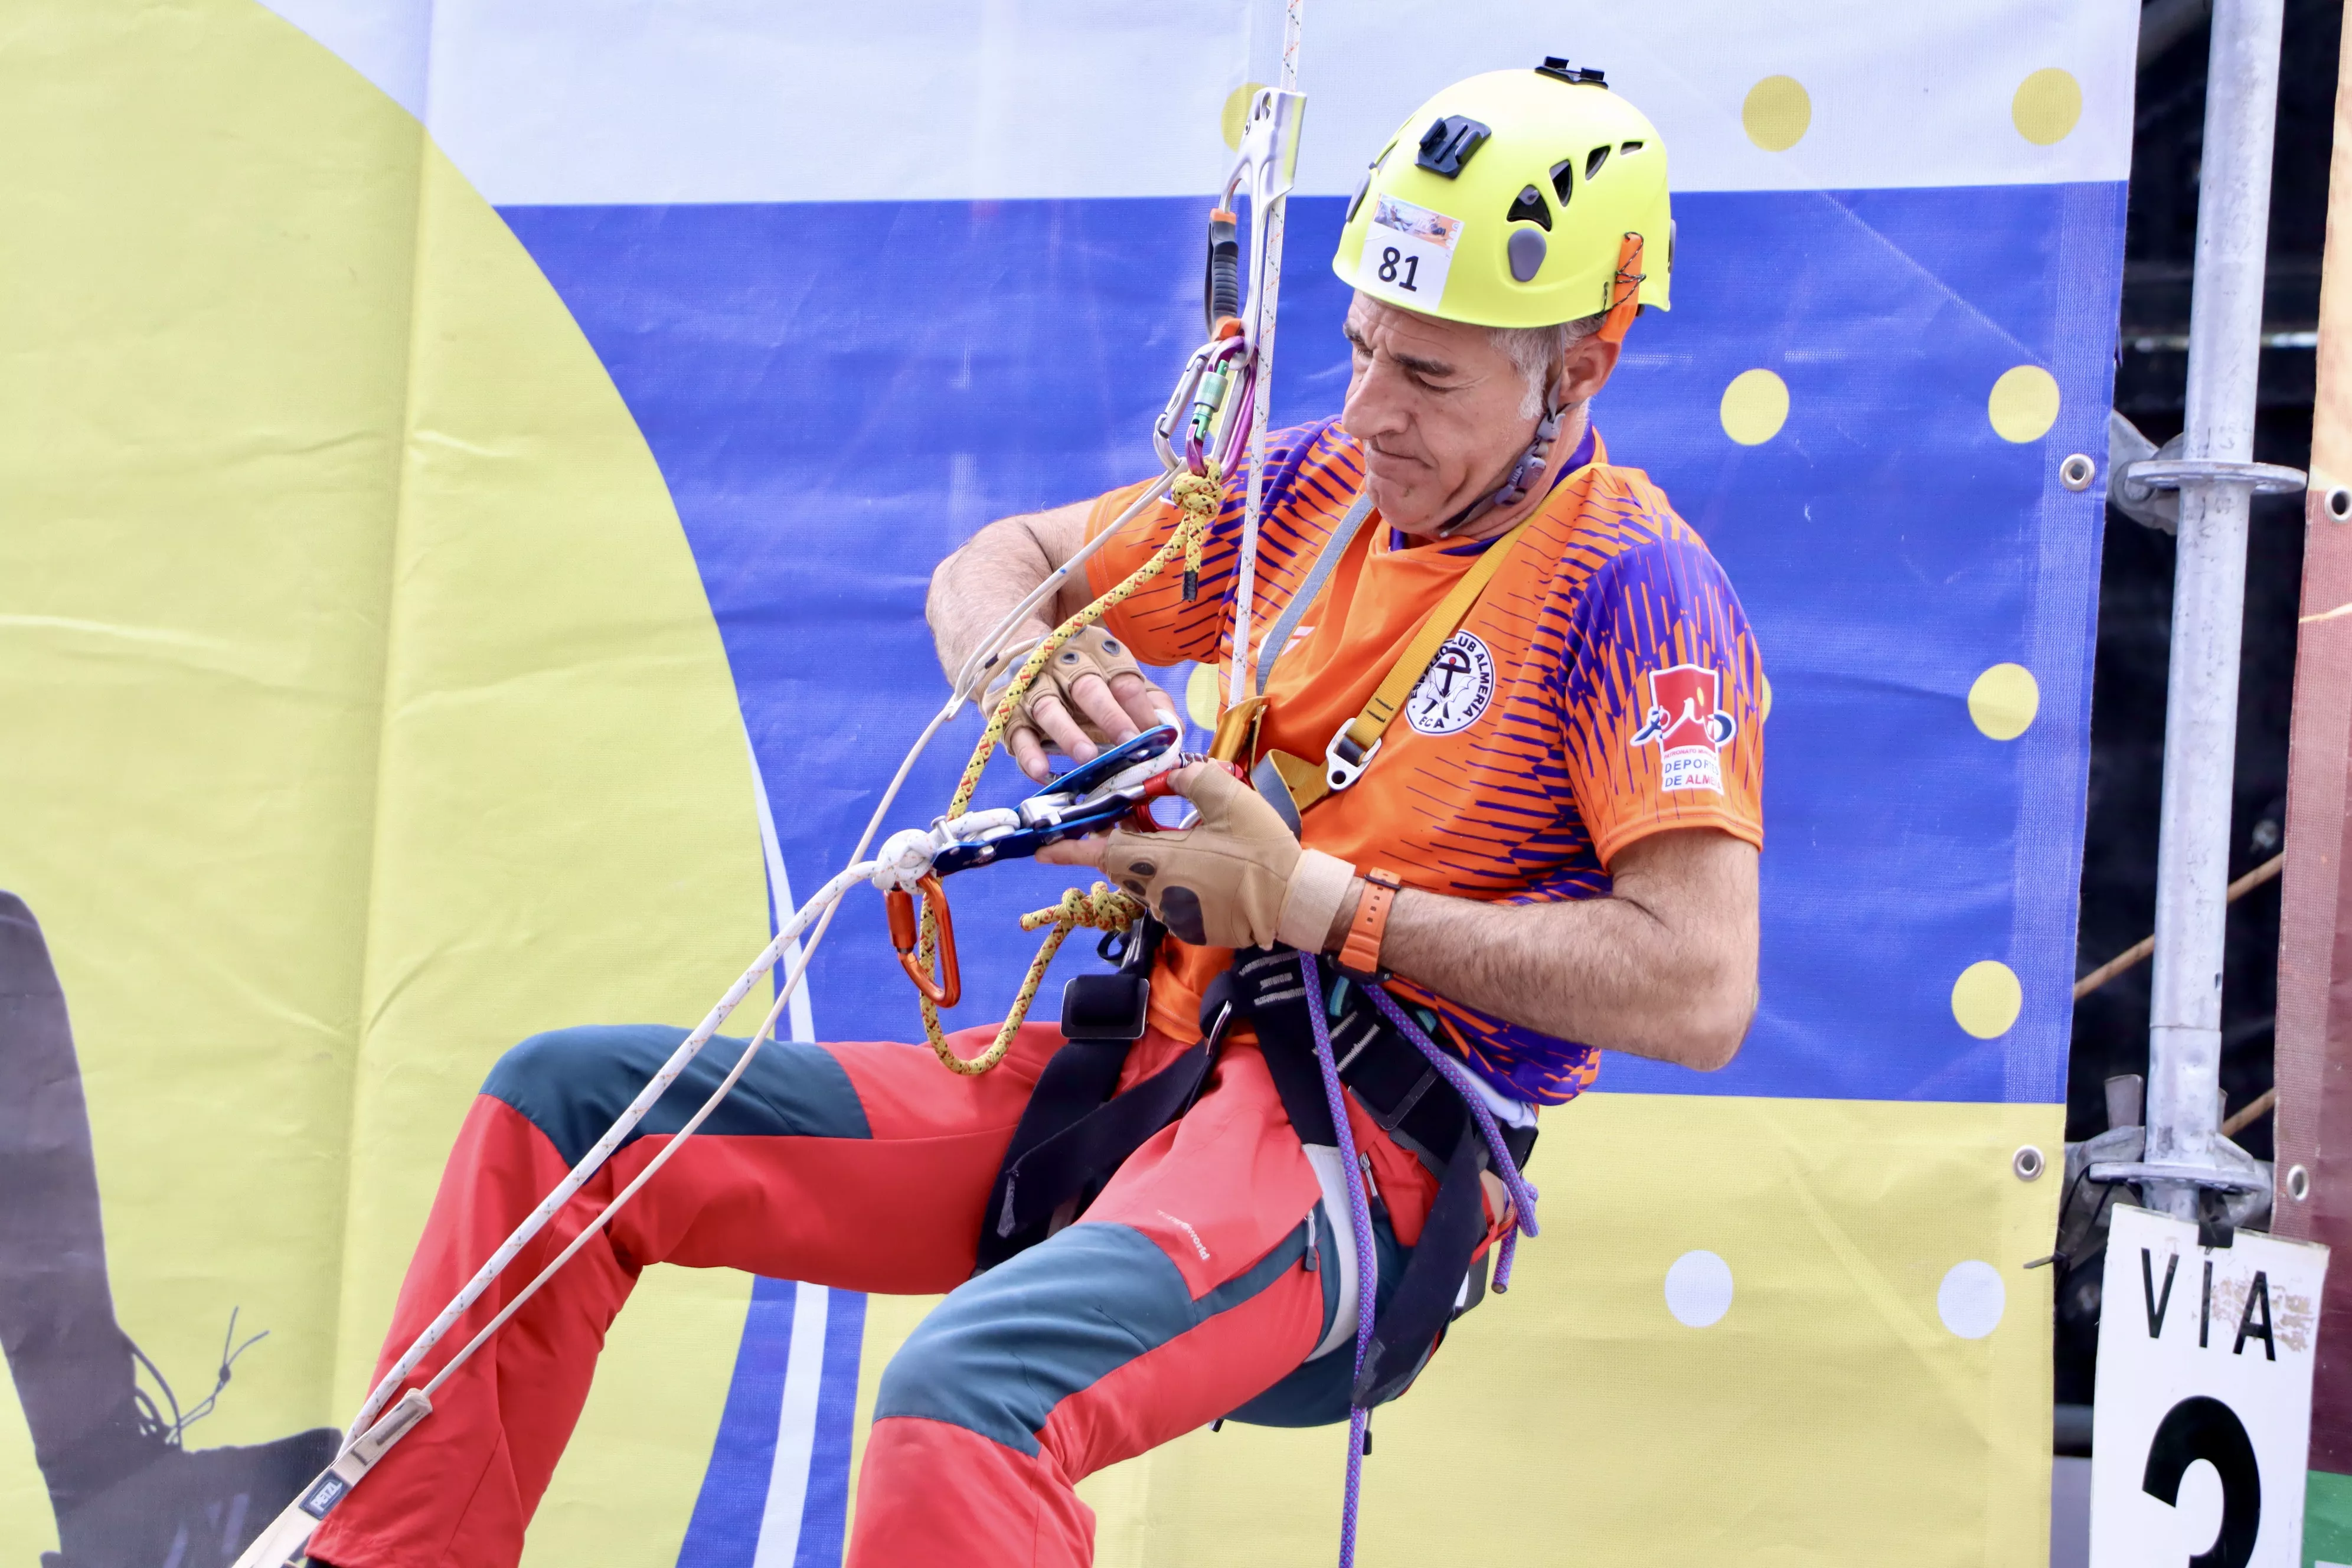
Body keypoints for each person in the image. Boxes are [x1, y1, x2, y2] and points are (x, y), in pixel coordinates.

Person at [309, 61, 1762, 1568]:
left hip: (1357, 1155)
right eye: (1360, 349)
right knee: (568, 1114)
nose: (1369, 411)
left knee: (968, 1399)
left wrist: (1313, 900)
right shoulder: (1320, 490)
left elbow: (1702, 989)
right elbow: (997, 559)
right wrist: (1025, 660)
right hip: (1137, 1073)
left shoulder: (1637, 591)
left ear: (1580, 367)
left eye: (1431, 377)